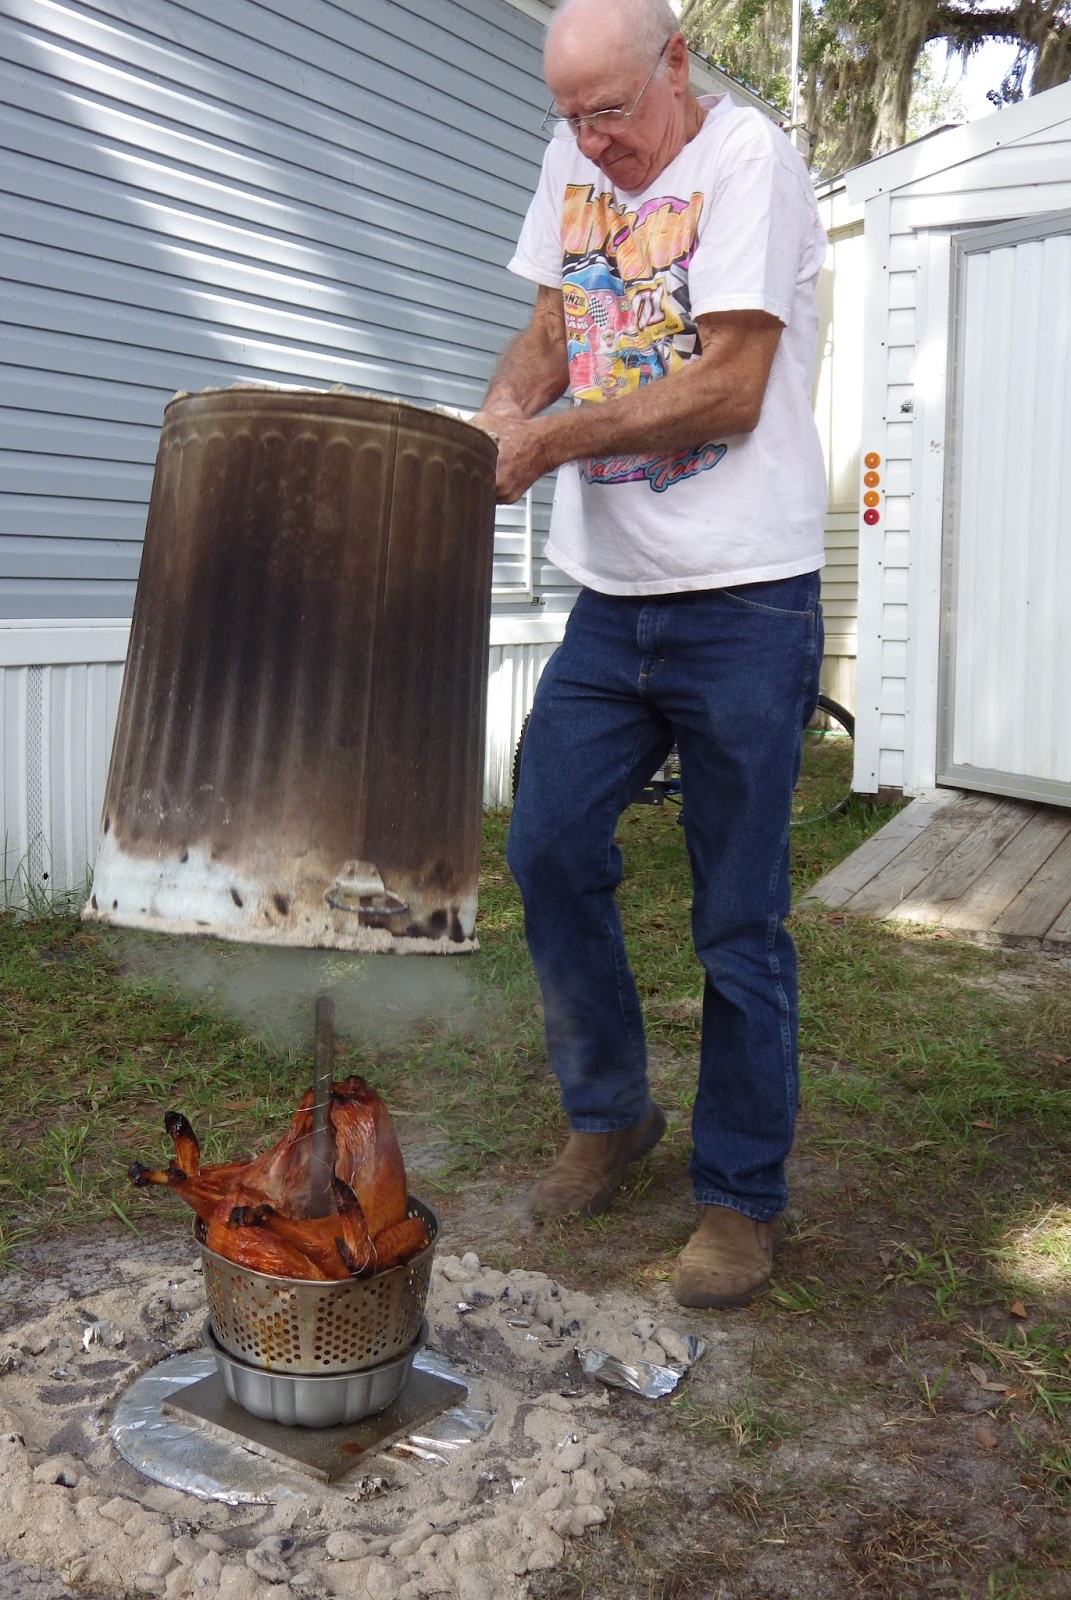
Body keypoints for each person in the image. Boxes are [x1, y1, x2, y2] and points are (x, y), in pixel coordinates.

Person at [474, 0, 828, 1309]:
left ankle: (739, 1198)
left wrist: (550, 443)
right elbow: (558, 331)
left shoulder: (750, 163)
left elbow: (730, 387)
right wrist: (504, 412)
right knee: (548, 846)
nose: (591, 143)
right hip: (612, 599)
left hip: (747, 598)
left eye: (611, 111)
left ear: (675, 65)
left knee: (738, 916)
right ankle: (611, 1112)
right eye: (568, 116)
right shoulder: (577, 158)